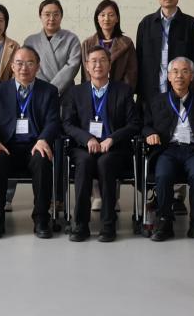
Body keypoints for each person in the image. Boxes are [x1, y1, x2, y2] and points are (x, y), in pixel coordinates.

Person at [0, 45, 61, 239]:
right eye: (19, 63)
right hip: (6, 146)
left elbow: (53, 121)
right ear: (12, 66)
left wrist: (43, 139)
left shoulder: (49, 91)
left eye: (29, 63)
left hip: (35, 145)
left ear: (37, 67)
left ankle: (41, 218)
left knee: (42, 158)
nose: (24, 68)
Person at [62, 47, 141, 242]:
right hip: (84, 147)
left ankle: (108, 225)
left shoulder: (123, 91)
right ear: (87, 66)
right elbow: (67, 124)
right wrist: (87, 138)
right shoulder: (75, 92)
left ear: (109, 65)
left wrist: (112, 138)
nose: (98, 65)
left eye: (103, 60)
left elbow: (134, 124)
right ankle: (80, 224)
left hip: (113, 148)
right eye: (93, 61)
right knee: (84, 163)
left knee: (105, 163)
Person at [143, 57, 194, 243]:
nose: (179, 76)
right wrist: (150, 133)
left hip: (193, 150)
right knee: (163, 175)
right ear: (168, 76)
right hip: (167, 149)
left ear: (192, 76)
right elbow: (145, 125)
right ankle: (165, 222)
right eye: (175, 72)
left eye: (185, 71)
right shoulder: (156, 103)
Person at [136, 0, 194, 104]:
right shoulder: (146, 24)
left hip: (181, 93)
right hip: (150, 94)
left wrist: (193, 93)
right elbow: (139, 59)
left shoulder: (191, 24)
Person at [24, 0, 81, 95]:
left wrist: (52, 90)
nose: (51, 18)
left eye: (56, 14)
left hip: (66, 93)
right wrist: (45, 90)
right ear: (40, 16)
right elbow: (30, 67)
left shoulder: (72, 39)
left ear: (61, 16)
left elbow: (72, 66)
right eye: (47, 14)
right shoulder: (30, 41)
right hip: (38, 92)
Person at [79, 0, 138, 91]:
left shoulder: (127, 43)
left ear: (117, 18)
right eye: (102, 15)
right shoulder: (87, 43)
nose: (106, 19)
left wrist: (123, 93)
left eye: (111, 15)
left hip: (120, 93)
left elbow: (131, 73)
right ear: (97, 19)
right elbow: (85, 74)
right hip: (94, 93)